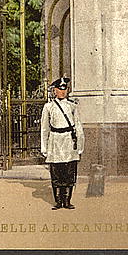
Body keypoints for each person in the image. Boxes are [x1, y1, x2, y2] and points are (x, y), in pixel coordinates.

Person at [40, 76, 84, 209]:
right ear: (54, 91)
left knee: (69, 171)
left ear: (68, 90)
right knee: (56, 172)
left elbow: (78, 126)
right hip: (55, 141)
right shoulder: (48, 107)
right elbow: (44, 128)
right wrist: (44, 147)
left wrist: (80, 145)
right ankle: (58, 201)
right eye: (59, 89)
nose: (62, 92)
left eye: (65, 89)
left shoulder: (72, 106)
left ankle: (67, 200)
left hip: (68, 141)